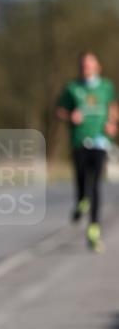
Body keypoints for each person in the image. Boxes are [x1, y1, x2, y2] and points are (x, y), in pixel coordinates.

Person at [55, 52, 117, 253]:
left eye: (89, 65)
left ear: (97, 67)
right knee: (82, 183)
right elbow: (59, 110)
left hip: (100, 141)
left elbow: (113, 107)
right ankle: (81, 202)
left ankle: (94, 229)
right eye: (83, 65)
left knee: (96, 183)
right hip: (79, 140)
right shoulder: (73, 88)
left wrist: (112, 124)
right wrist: (70, 115)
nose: (86, 68)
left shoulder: (106, 87)